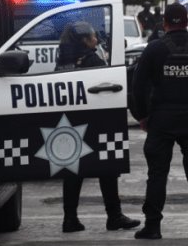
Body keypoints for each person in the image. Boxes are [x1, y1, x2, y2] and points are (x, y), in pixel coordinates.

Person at [132, 3, 188, 240]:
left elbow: (138, 88)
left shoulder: (154, 49)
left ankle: (153, 226)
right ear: (187, 22)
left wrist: (142, 116)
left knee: (157, 174)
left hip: (162, 118)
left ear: (165, 24)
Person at [55, 21, 140, 233]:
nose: (96, 39)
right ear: (84, 40)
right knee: (108, 167)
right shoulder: (92, 59)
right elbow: (109, 83)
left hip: (71, 122)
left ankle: (70, 219)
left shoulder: (63, 62)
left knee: (73, 170)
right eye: (92, 36)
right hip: (97, 121)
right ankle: (114, 216)